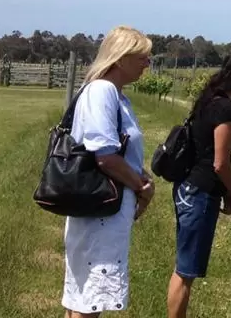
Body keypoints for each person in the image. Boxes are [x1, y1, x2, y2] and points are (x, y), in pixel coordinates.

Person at [61, 26, 155, 317]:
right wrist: (141, 187)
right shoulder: (102, 91)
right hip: (101, 210)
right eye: (142, 57)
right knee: (90, 301)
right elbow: (106, 157)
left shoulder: (115, 94)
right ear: (120, 58)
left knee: (82, 297)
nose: (147, 64)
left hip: (102, 208)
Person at [167, 49, 231, 318]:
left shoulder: (210, 98)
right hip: (200, 191)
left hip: (188, 187)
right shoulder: (225, 108)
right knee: (185, 271)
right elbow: (219, 163)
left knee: (184, 267)